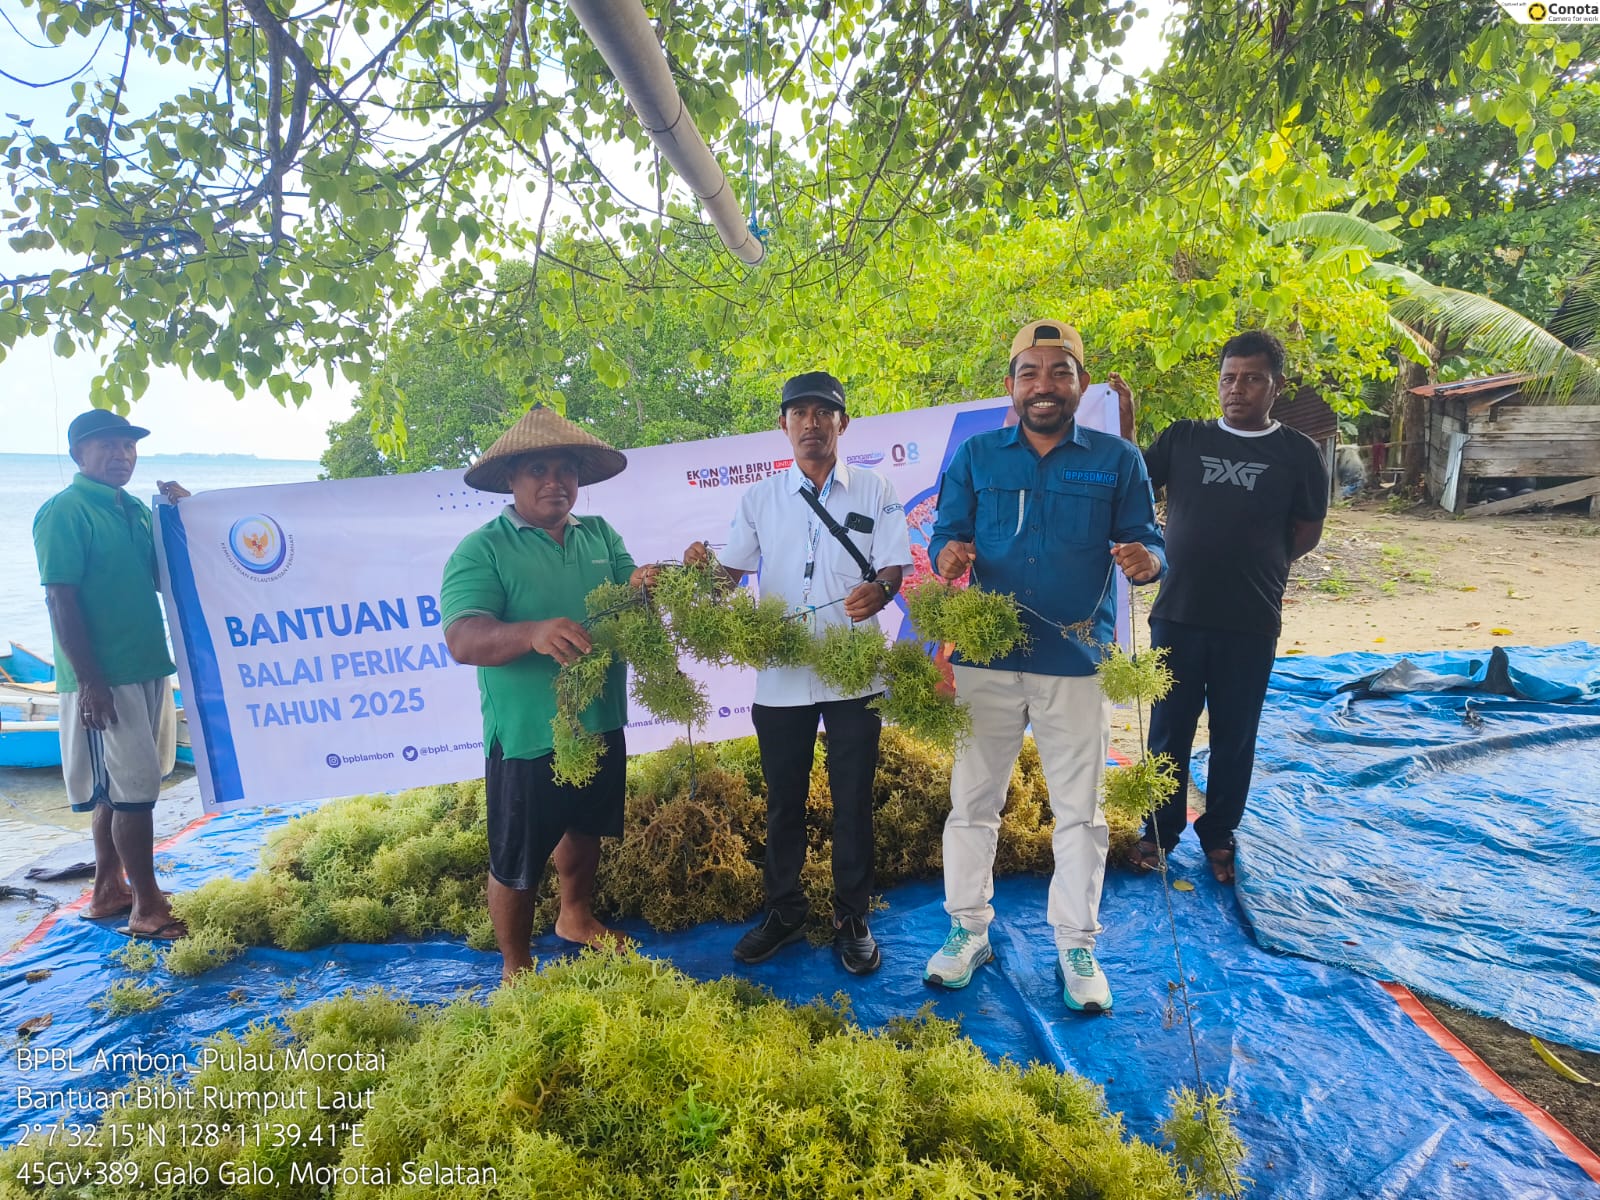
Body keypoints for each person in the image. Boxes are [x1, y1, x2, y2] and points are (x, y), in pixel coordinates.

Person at [923, 320, 1165, 1013]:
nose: (1044, 385)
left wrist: (1148, 562)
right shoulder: (976, 457)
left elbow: (1148, 540)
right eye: (1030, 372)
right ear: (1010, 385)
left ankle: (1076, 945)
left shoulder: (1118, 460)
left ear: (1080, 384)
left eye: (1060, 372)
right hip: (987, 661)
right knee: (973, 801)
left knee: (1080, 812)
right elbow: (946, 532)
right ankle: (968, 930)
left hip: (1077, 662)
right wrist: (950, 557)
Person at [684, 371, 912, 975]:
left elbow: (894, 565)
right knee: (783, 802)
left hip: (854, 673)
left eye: (823, 413)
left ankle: (851, 917)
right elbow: (724, 580)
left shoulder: (875, 488)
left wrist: (881, 592)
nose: (810, 423)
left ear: (843, 422)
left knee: (852, 802)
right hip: (781, 678)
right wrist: (699, 573)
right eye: (798, 413)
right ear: (782, 425)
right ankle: (783, 911)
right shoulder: (759, 499)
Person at [441, 406, 656, 983]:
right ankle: (516, 965)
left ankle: (575, 917)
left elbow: (629, 587)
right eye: (538, 469)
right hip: (529, 732)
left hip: (600, 717)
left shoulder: (600, 534)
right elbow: (462, 637)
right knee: (518, 857)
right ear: (511, 481)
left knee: (585, 828)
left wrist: (648, 584)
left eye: (565, 469)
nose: (554, 481)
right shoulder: (482, 549)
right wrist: (532, 633)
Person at [1133, 330, 1328, 884]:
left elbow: (1307, 528)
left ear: (1276, 385)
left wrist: (1262, 560)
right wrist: (1124, 423)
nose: (1236, 389)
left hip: (1250, 618)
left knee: (1234, 733)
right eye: (1228, 378)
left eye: (1251, 378)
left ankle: (1219, 834)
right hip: (1179, 613)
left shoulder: (1297, 453)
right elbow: (1131, 484)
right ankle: (1158, 832)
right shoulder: (1185, 438)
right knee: (1168, 729)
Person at [33, 409, 190, 939]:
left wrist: (184, 517)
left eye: (129, 446)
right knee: (134, 793)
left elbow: (156, 576)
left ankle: (108, 891)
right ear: (79, 454)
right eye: (108, 446)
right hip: (105, 675)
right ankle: (148, 907)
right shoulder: (65, 511)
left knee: (116, 789)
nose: (121, 455)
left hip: (146, 664)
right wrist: (90, 682)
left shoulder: (135, 513)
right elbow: (60, 598)